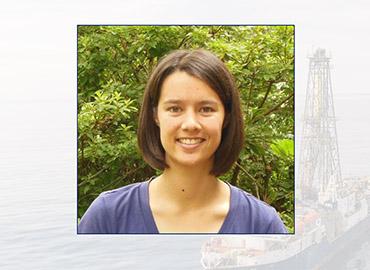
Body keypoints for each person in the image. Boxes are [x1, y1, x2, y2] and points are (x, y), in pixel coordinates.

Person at [78, 49, 287, 234]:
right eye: (175, 109)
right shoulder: (108, 217)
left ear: (227, 118)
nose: (190, 124)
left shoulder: (261, 225)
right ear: (155, 115)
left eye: (206, 109)